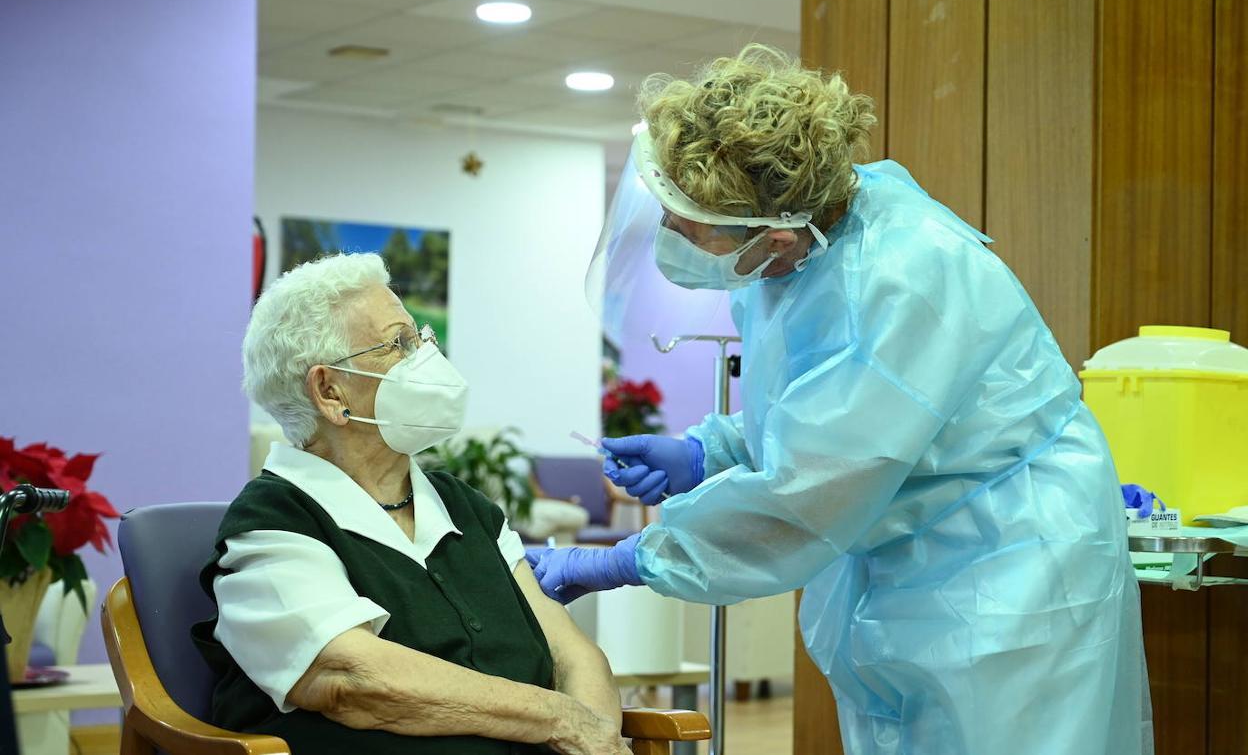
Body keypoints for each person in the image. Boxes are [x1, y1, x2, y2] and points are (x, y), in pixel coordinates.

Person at [527, 45, 1153, 755]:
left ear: (775, 231)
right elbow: (823, 401)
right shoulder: (792, 261)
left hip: (1011, 572)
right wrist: (711, 447)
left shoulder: (905, 274)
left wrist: (624, 559)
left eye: (684, 218)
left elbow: (811, 485)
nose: (670, 234)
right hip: (915, 554)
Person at [192, 253, 628, 755]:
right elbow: (354, 678)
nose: (425, 356)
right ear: (330, 390)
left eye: (420, 338)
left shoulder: (465, 508)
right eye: (399, 344)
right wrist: (556, 719)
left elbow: (570, 651)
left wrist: (594, 735)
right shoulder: (273, 525)